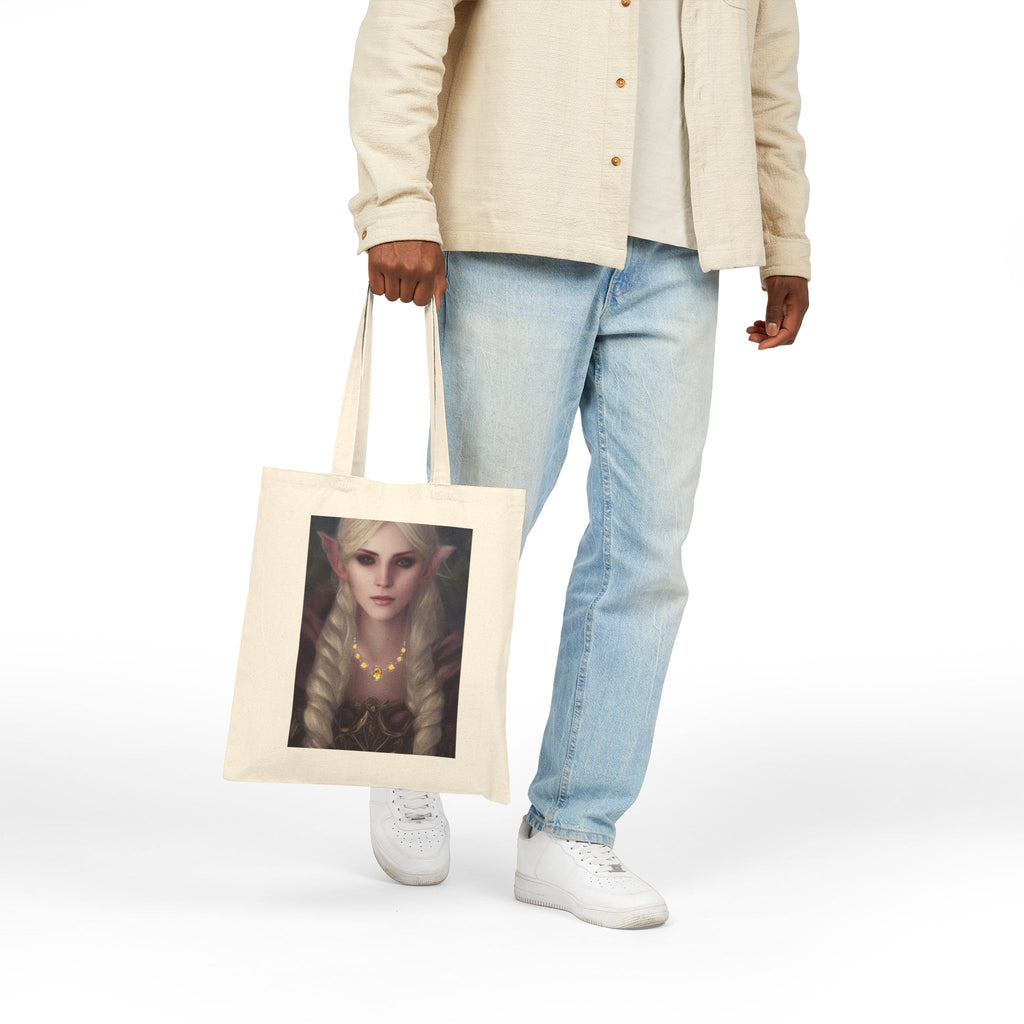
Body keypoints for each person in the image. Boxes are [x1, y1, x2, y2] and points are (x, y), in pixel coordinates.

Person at [346, 0, 812, 928]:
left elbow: (769, 72)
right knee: (473, 531)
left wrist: (782, 233)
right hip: (519, 224)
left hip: (683, 251)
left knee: (647, 549)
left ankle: (573, 825)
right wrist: (395, 200)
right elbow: (405, 29)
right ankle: (404, 760)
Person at [288, 519, 463, 885]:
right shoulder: (301, 646)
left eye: (403, 562)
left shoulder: (452, 664)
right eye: (366, 559)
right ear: (339, 562)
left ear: (430, 566)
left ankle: (413, 782)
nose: (383, 579)